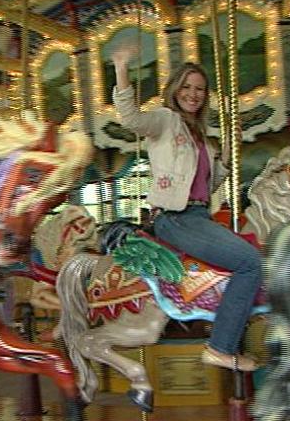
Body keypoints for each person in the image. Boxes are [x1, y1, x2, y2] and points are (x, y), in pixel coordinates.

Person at [111, 46, 261, 372]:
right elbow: (131, 118)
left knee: (251, 252)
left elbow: (209, 186)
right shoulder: (166, 121)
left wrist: (226, 155)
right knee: (249, 263)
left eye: (199, 89)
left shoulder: (202, 138)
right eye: (187, 87)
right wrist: (121, 67)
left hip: (198, 214)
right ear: (174, 90)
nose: (193, 94)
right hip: (175, 218)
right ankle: (221, 347)